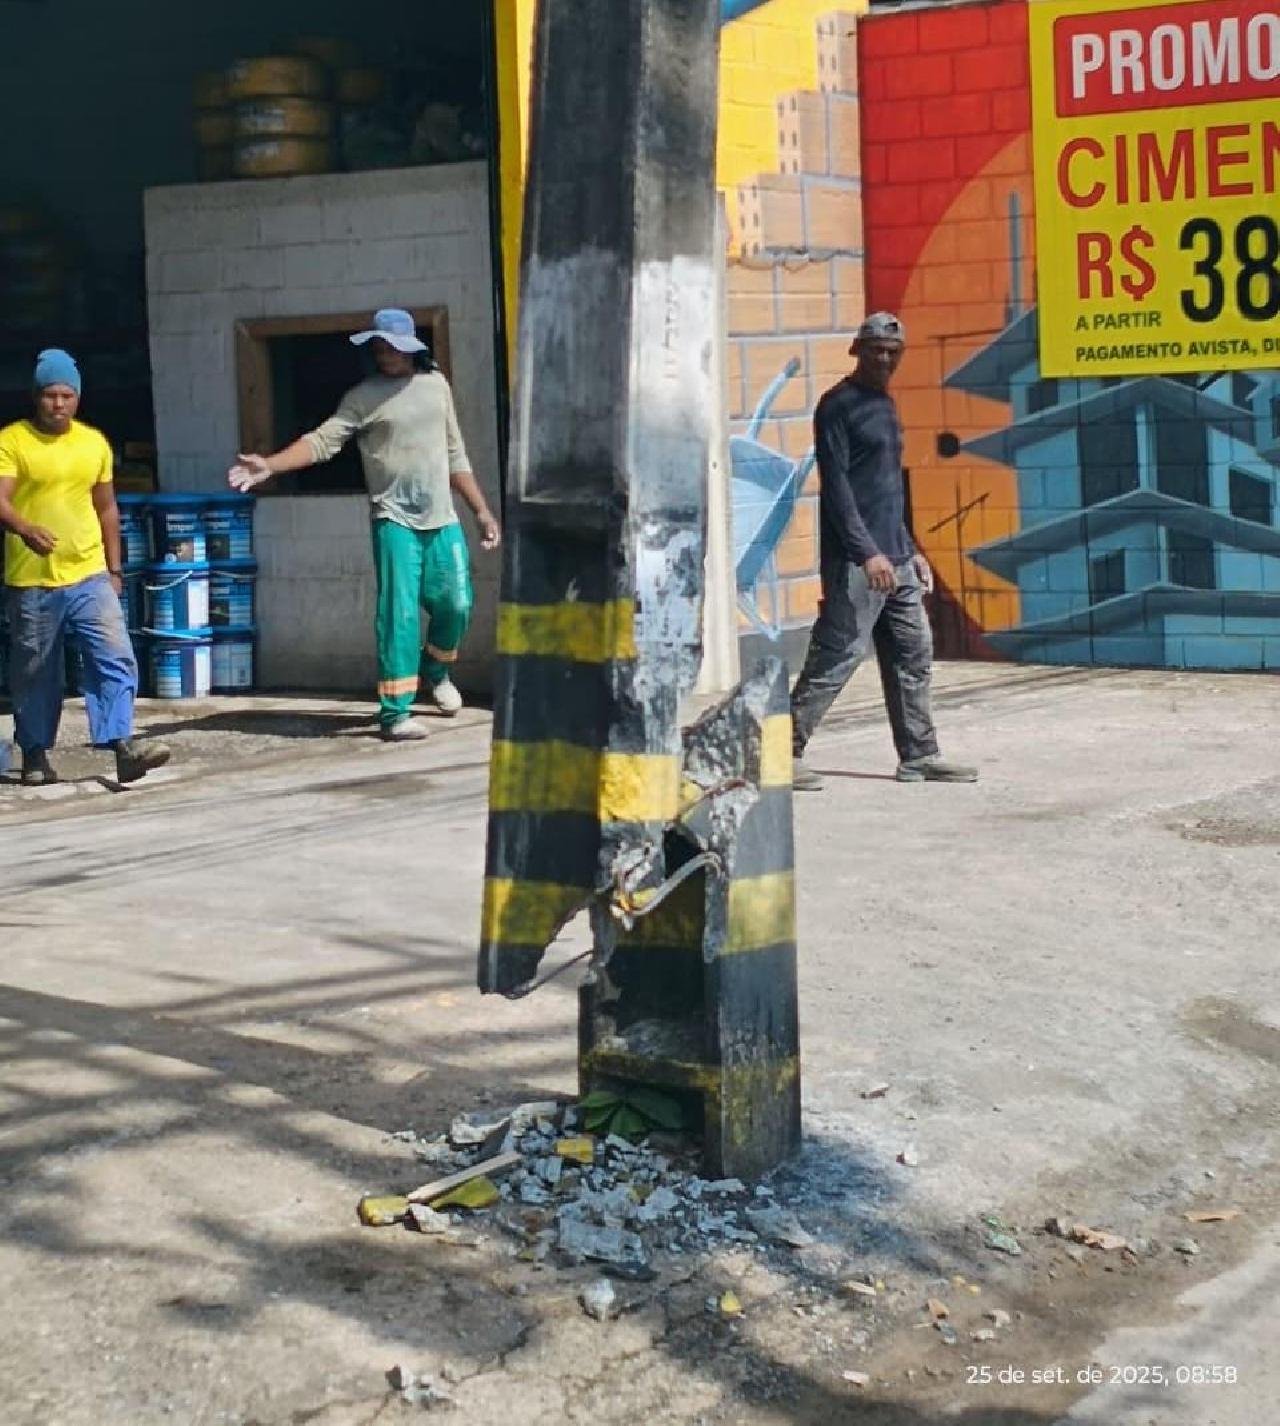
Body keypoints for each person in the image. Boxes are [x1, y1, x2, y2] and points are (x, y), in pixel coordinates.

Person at [228, 309, 499, 741]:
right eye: (379, 347)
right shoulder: (362, 397)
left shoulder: (435, 385)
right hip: (394, 520)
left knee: (457, 604)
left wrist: (481, 510)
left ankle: (436, 669)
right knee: (399, 614)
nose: (385, 354)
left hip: (442, 517)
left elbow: (455, 454)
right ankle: (395, 713)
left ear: (411, 348)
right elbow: (321, 442)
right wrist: (270, 465)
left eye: (392, 347)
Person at [790, 312, 977, 792]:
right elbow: (838, 489)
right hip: (857, 562)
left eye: (893, 351)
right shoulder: (838, 405)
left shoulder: (885, 406)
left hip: (897, 559)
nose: (885, 358)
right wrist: (867, 553)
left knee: (914, 653)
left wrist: (909, 550)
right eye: (876, 349)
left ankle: (919, 755)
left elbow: (887, 491)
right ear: (857, 350)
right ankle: (780, 753)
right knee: (838, 656)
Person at [0, 349, 170, 786]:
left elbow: (107, 508)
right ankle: (35, 753)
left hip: (89, 572)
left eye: (67, 395)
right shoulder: (13, 441)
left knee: (114, 654)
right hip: (33, 579)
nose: (58, 404)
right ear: (36, 397)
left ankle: (123, 745)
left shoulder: (93, 443)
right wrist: (24, 528)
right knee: (36, 670)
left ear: (78, 398)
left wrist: (115, 569)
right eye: (50, 395)